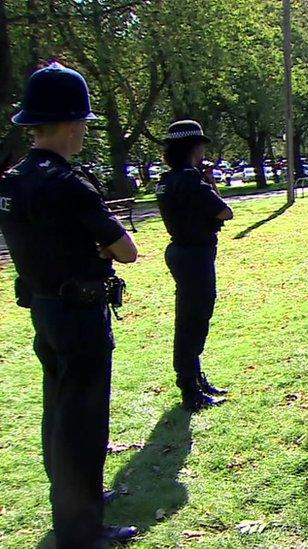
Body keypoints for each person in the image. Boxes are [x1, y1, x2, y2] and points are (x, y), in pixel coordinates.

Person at [0, 62, 139, 547]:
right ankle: (81, 530)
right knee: (82, 419)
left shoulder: (13, 181)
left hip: (43, 309)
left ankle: (74, 499)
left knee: (58, 412)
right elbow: (126, 248)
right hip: (80, 313)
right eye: (82, 122)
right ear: (73, 123)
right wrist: (100, 246)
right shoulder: (68, 183)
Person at [156, 120, 234, 411]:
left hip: (180, 251)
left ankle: (194, 378)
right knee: (194, 319)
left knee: (190, 317)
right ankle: (190, 387)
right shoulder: (192, 180)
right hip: (196, 254)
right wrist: (209, 179)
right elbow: (224, 212)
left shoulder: (167, 180)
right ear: (193, 147)